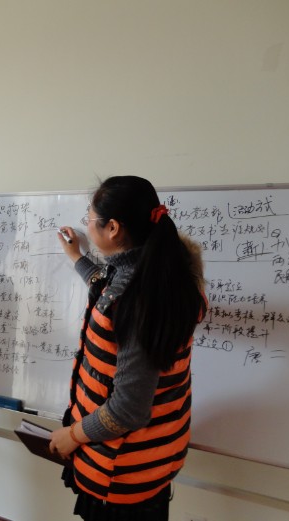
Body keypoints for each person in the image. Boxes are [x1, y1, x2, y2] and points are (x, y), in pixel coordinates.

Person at [49, 176, 207, 520]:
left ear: (113, 228)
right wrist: (77, 257)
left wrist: (72, 435)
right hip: (151, 458)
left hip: (120, 473)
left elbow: (127, 410)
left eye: (90, 218)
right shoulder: (167, 274)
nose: (87, 224)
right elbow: (108, 285)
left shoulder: (137, 302)